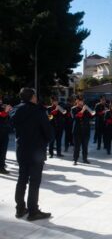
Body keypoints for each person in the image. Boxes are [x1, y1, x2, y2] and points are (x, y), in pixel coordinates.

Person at [9, 87, 54, 221]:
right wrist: (46, 140)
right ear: (32, 97)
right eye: (35, 96)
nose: (36, 98)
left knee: (22, 179)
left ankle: (20, 208)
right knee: (34, 181)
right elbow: (49, 132)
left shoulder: (15, 110)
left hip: (21, 150)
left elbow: (12, 125)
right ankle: (33, 211)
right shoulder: (38, 111)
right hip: (36, 152)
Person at [71, 96, 95, 165]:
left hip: (86, 130)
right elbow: (75, 117)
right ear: (76, 101)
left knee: (85, 146)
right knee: (77, 147)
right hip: (77, 131)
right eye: (79, 101)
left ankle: (85, 159)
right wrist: (82, 110)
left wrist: (89, 110)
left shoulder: (86, 109)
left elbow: (92, 116)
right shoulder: (73, 109)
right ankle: (75, 160)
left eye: (82, 101)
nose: (81, 102)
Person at [0, 95, 12, 174]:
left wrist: (9, 110)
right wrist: (6, 111)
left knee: (3, 150)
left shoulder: (3, 106)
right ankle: (1, 167)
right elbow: (2, 115)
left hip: (5, 131)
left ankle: (2, 164)